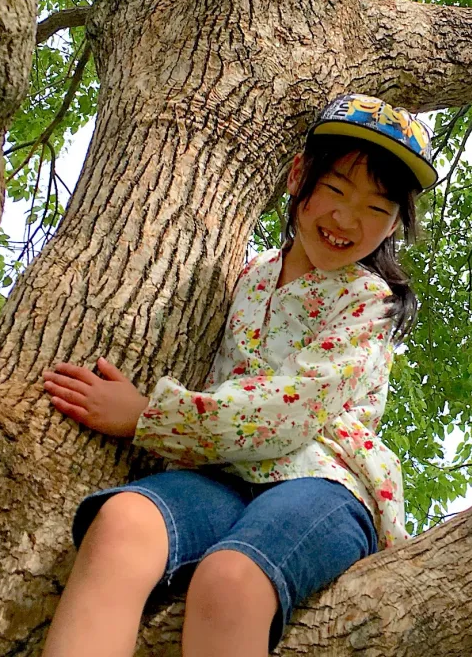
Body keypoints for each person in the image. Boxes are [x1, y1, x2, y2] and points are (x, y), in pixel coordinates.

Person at [40, 94, 437, 657]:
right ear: (300, 176)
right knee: (121, 522)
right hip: (220, 477)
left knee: (231, 582)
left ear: (396, 223)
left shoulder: (368, 301)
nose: (348, 219)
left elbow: (288, 410)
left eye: (377, 209)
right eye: (337, 189)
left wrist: (148, 418)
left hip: (320, 481)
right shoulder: (248, 276)